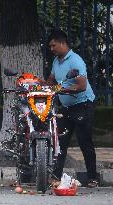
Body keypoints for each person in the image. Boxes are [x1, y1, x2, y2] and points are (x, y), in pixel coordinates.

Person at [45, 29, 98, 188]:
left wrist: (61, 90)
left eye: (53, 45)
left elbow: (81, 86)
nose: (52, 49)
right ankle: (55, 177)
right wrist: (38, 84)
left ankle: (92, 178)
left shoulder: (76, 61)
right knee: (60, 143)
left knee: (85, 142)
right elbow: (51, 81)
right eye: (50, 46)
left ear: (62, 43)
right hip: (66, 108)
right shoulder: (56, 61)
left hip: (83, 105)